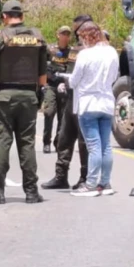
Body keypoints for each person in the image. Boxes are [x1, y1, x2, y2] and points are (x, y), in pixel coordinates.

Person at [0, 0, 47, 205]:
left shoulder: (0, 38)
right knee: (27, 143)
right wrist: (41, 92)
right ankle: (32, 192)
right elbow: (42, 71)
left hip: (4, 96)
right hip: (29, 96)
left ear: (4, 17)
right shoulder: (37, 37)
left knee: (3, 142)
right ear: (22, 16)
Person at [42, 14, 93, 191]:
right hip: (70, 97)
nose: (75, 33)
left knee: (83, 141)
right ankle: (60, 176)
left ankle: (85, 177)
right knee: (64, 138)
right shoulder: (75, 49)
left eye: (77, 29)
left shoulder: (90, 49)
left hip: (84, 100)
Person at [68, 21, 119, 197]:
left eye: (82, 37)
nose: (81, 41)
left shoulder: (85, 55)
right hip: (106, 103)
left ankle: (90, 184)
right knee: (106, 146)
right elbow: (114, 77)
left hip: (88, 103)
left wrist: (67, 82)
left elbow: (74, 81)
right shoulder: (112, 52)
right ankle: (105, 183)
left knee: (94, 147)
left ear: (87, 37)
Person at [41, 26, 73, 154]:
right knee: (49, 112)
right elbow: (43, 66)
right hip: (51, 85)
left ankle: (58, 142)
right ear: (57, 35)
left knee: (62, 117)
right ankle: (46, 142)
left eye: (67, 34)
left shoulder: (71, 51)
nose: (65, 36)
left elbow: (72, 68)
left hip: (64, 86)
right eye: (63, 34)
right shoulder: (50, 50)